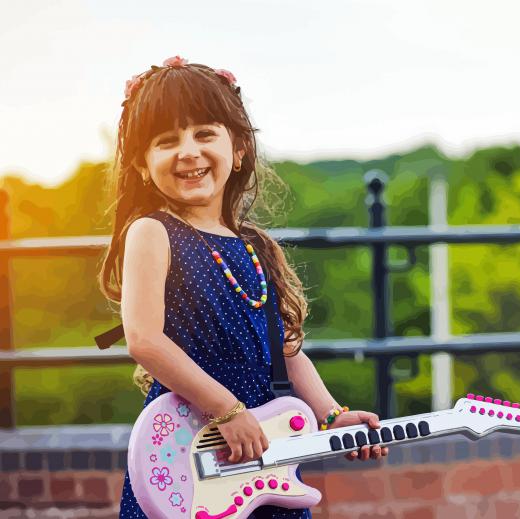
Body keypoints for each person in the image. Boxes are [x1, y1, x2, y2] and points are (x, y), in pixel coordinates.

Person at [98, 56, 389, 519]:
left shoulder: (255, 246)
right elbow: (144, 340)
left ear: (237, 151)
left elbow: (287, 353)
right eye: (167, 140)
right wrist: (227, 412)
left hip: (266, 452)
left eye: (204, 134)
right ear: (141, 164)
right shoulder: (152, 232)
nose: (188, 151)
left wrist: (333, 416)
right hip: (193, 447)